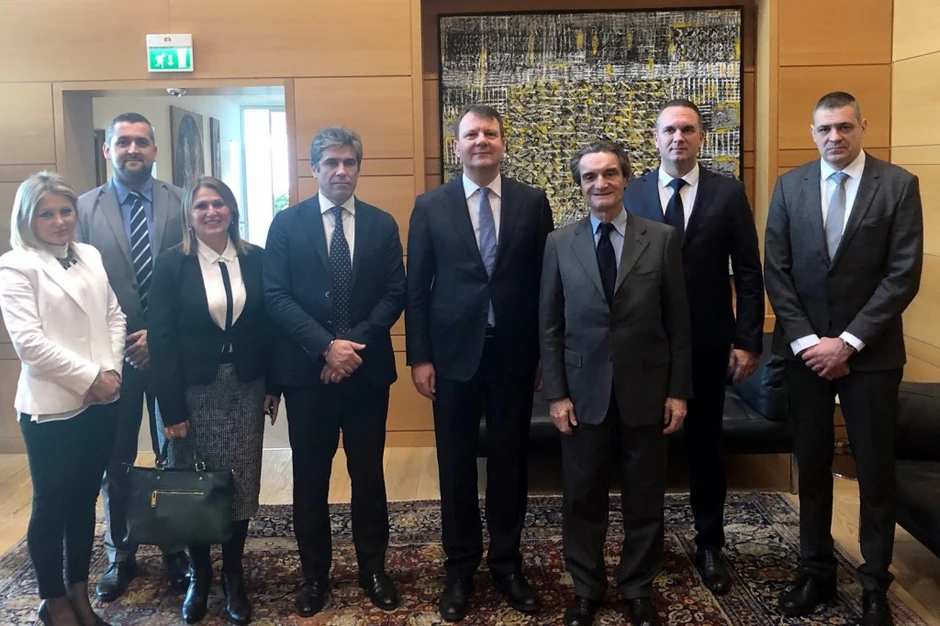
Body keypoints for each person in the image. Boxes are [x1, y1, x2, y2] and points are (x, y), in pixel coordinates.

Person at [764, 91, 923, 626]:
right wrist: (809, 343)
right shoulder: (789, 187)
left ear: (862, 127)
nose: (835, 136)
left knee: (874, 471)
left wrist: (848, 341)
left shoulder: (897, 185)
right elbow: (776, 270)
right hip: (806, 358)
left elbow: (903, 274)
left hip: (871, 357)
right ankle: (816, 573)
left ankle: (875, 583)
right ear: (812, 133)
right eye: (825, 128)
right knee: (811, 468)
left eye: (845, 127)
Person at [406, 104, 554, 622]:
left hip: (514, 353)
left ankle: (508, 564)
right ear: (457, 147)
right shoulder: (430, 206)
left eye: (490, 133)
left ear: (503, 143)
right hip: (452, 356)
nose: (481, 141)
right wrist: (420, 357)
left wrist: (544, 354)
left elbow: (546, 284)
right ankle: (460, 568)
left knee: (511, 463)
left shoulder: (533, 202)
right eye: (471, 134)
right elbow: (416, 289)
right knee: (456, 465)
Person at [540, 141, 693, 626]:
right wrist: (557, 394)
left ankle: (638, 588)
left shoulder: (661, 238)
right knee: (581, 497)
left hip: (646, 391)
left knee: (644, 498)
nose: (600, 183)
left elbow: (679, 322)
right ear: (579, 185)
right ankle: (586, 589)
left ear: (626, 179)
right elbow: (550, 326)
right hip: (582, 393)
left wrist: (678, 391)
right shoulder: (559, 243)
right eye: (590, 176)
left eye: (609, 174)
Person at [623, 98, 764, 594]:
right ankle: (646, 545)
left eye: (687, 129)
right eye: (669, 130)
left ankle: (709, 545)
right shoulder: (632, 192)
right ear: (655, 138)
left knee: (706, 447)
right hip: (644, 345)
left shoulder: (728, 193)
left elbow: (748, 271)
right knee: (644, 451)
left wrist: (748, 340)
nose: (678, 138)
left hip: (707, 342)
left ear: (702, 137)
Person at [264, 126, 405, 617]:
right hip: (308, 376)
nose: (341, 171)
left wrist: (350, 348)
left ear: (358, 168)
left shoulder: (381, 224)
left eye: (349, 162)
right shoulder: (286, 225)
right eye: (331, 163)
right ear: (314, 168)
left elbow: (395, 292)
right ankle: (314, 576)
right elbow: (275, 295)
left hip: (366, 373)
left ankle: (373, 569)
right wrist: (326, 347)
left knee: (368, 476)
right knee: (310, 478)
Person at [148, 176, 281, 625]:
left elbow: (270, 327)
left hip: (244, 387)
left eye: (218, 204)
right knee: (195, 487)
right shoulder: (172, 264)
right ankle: (201, 574)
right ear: (189, 215)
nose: (211, 212)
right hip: (191, 392)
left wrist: (273, 385)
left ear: (232, 210)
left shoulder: (256, 258)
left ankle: (234, 575)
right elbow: (161, 339)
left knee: (240, 484)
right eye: (201, 205)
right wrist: (171, 408)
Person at [0, 172, 125, 626]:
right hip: (52, 406)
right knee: (52, 504)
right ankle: (53, 600)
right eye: (46, 214)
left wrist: (111, 372)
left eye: (66, 211)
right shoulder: (16, 266)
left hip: (102, 400)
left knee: (84, 500)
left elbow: (114, 315)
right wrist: (91, 376)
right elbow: (30, 345)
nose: (59, 221)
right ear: (27, 219)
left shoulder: (89, 254)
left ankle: (78, 591)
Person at [76, 112, 190, 600]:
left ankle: (176, 549)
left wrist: (159, 338)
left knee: (175, 455)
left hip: (171, 354)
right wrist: (125, 340)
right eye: (123, 142)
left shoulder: (182, 201)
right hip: (112, 359)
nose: (133, 150)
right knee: (115, 460)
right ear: (108, 149)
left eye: (142, 142)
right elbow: (79, 288)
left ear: (155, 150)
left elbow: (193, 277)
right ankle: (120, 554)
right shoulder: (82, 210)